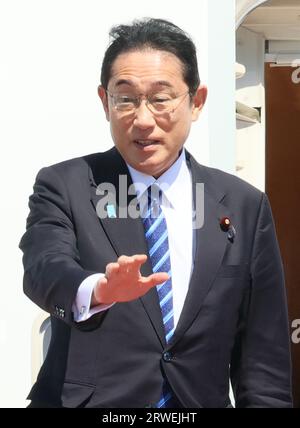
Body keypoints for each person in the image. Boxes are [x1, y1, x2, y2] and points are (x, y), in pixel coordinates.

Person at [20, 18, 293, 408]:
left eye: (161, 99)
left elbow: (263, 363)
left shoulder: (243, 205)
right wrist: (98, 290)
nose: (143, 119)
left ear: (196, 102)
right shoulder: (66, 185)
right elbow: (44, 267)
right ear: (105, 102)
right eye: (126, 99)